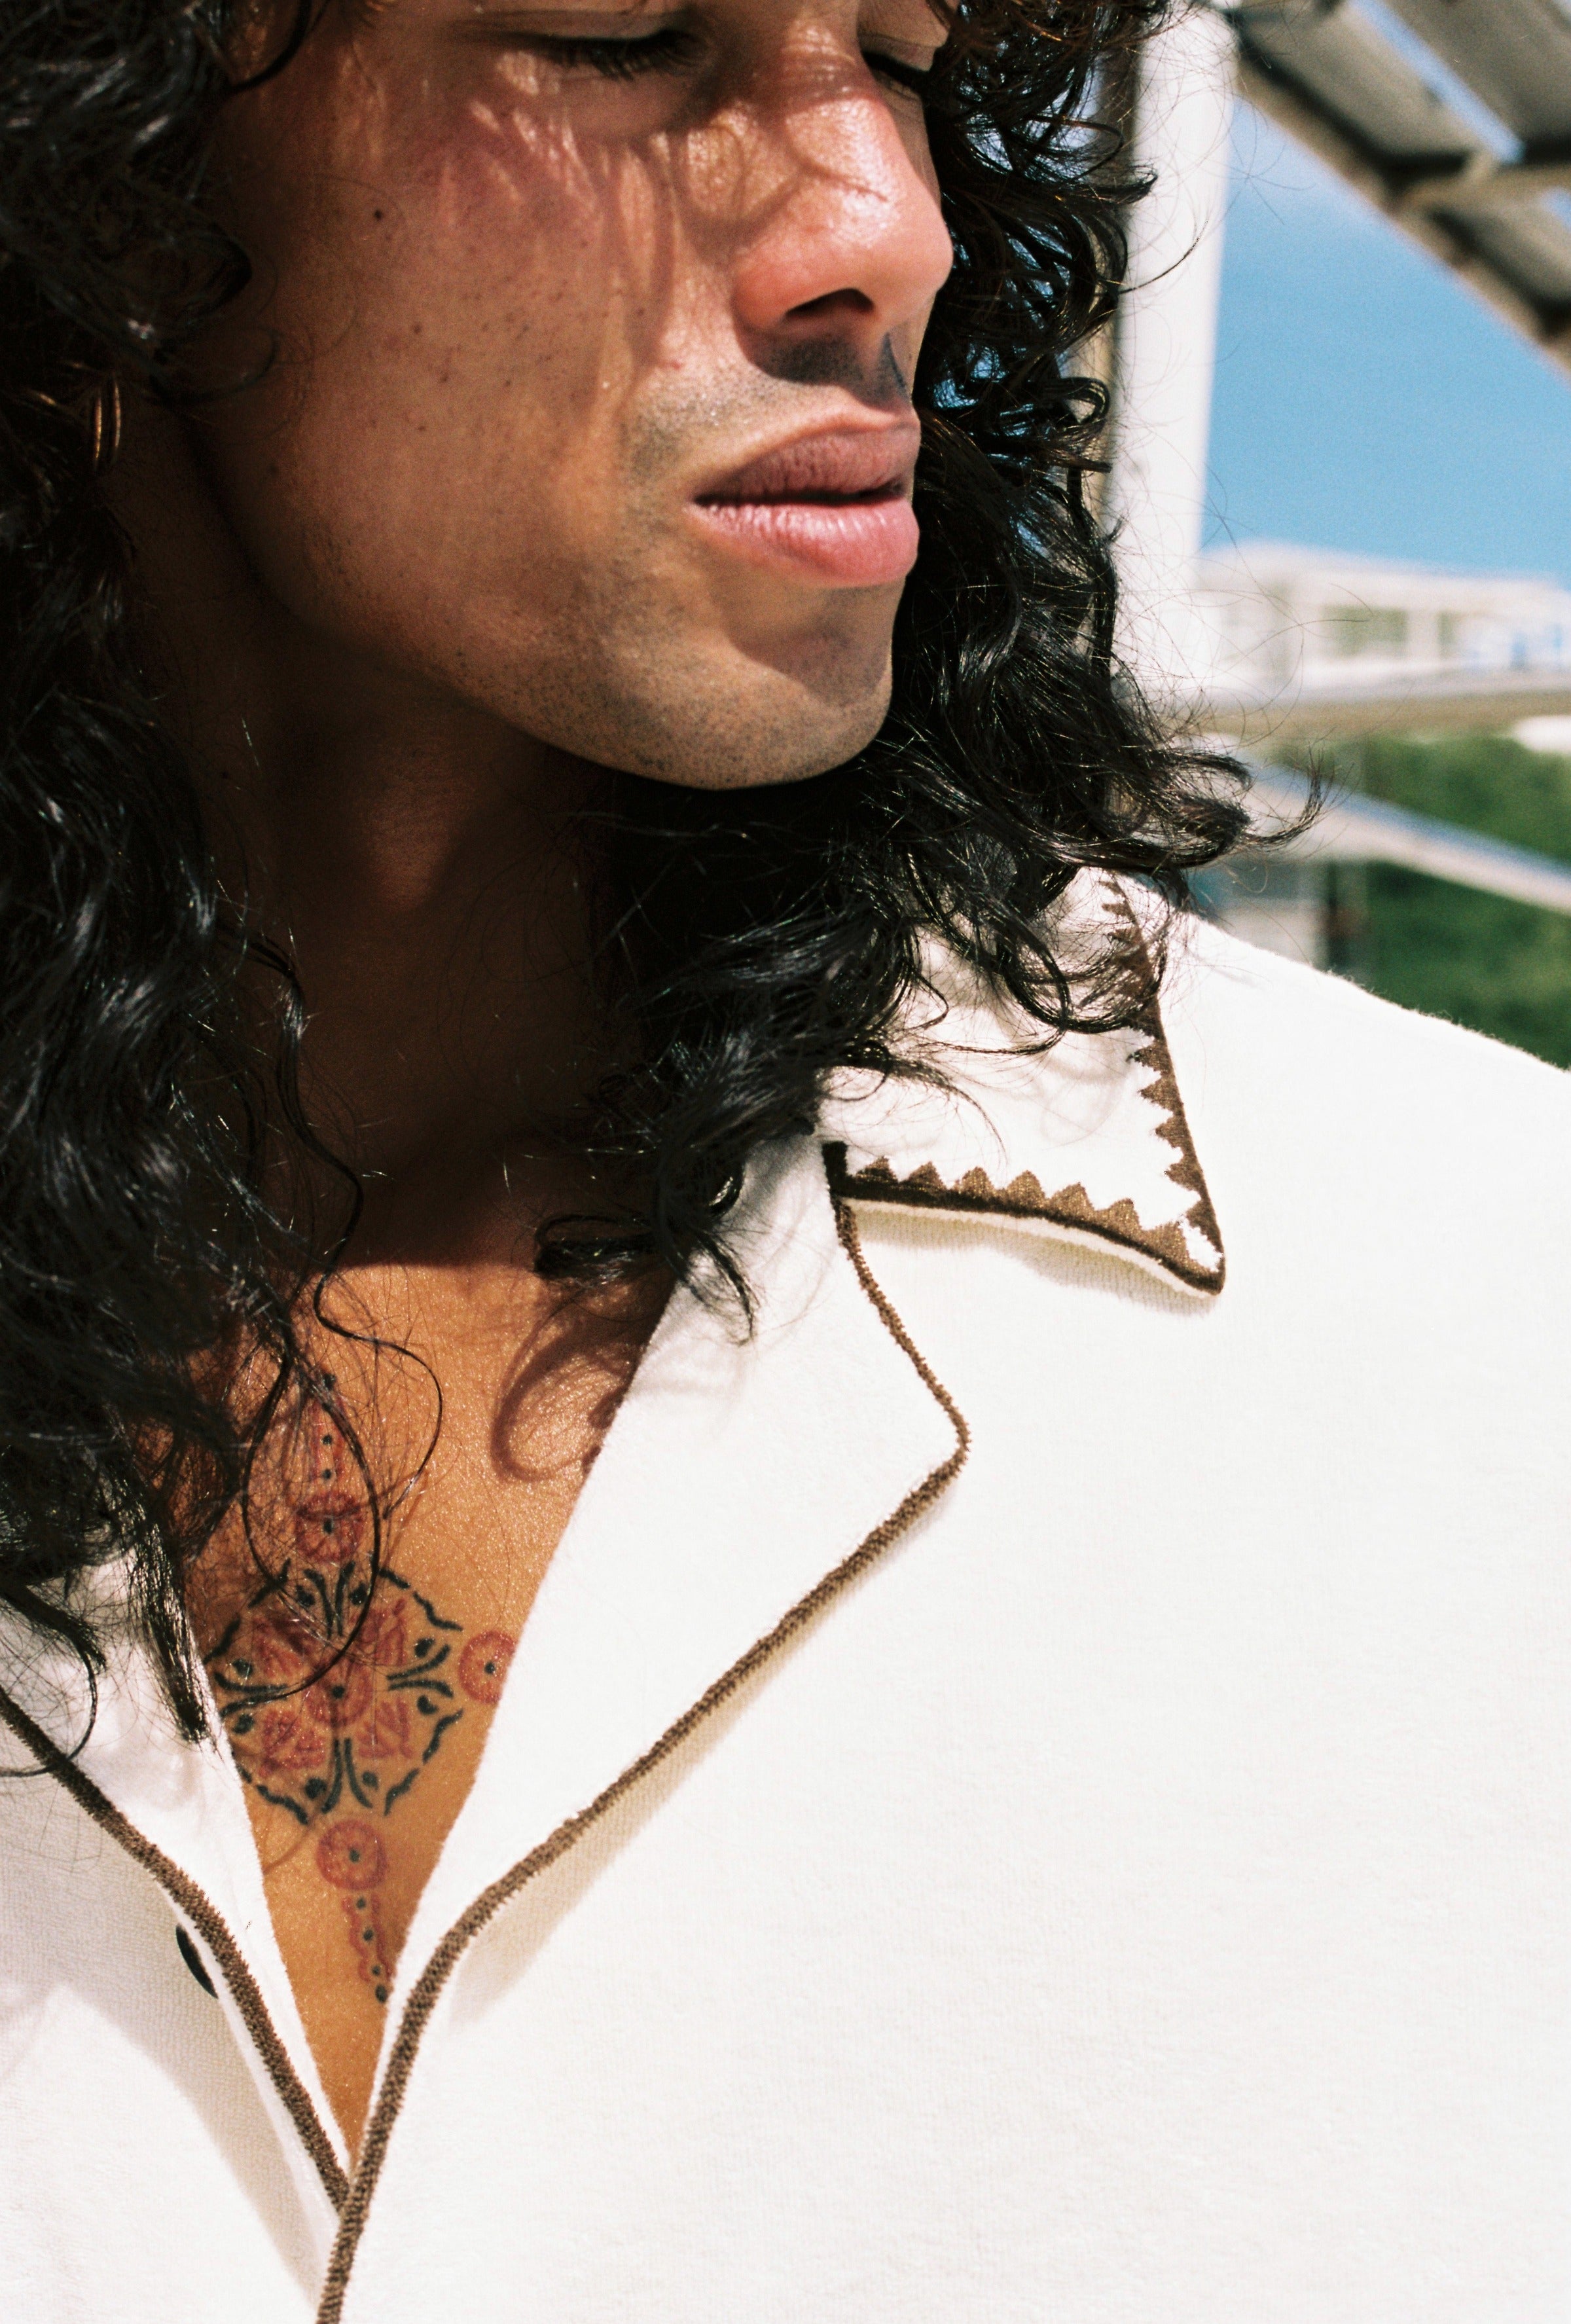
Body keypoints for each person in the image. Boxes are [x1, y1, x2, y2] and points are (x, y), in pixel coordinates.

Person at [2, 1, 1569, 2317]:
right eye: (625, 35)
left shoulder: (1490, 1322)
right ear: (104, 150)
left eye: (916, 57)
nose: (887, 228)